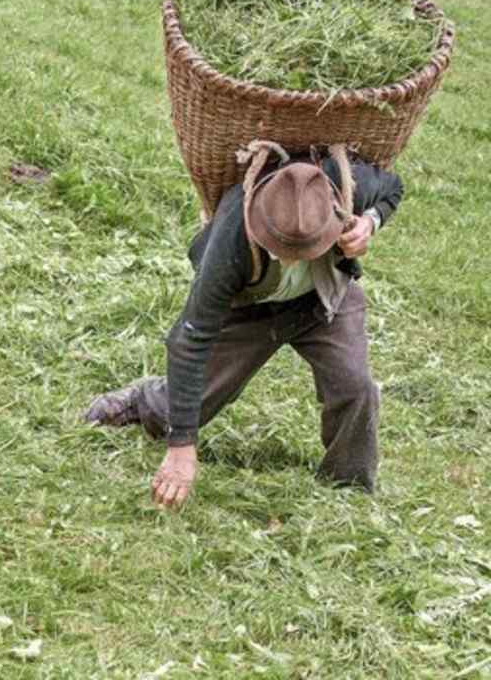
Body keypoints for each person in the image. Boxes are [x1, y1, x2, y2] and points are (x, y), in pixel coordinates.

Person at [82, 143, 403, 508]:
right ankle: (144, 401)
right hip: (254, 310)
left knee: (356, 387)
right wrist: (181, 448)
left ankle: (349, 489)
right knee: (188, 407)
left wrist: (370, 221)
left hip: (324, 299)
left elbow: (393, 187)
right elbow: (191, 338)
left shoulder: (343, 181)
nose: (295, 259)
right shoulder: (232, 235)